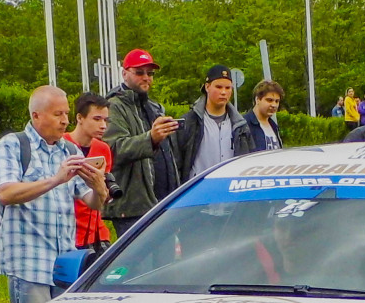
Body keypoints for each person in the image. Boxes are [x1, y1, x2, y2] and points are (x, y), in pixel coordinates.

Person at [0, 86, 108, 303]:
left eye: (66, 114)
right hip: (29, 264)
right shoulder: (12, 145)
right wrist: (56, 180)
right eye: (58, 114)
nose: (65, 121)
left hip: (65, 265)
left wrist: (99, 188)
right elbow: (5, 193)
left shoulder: (70, 149)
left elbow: (92, 201)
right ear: (36, 115)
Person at [103, 49, 180, 239]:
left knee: (165, 265)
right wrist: (151, 138)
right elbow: (113, 150)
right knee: (138, 267)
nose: (146, 77)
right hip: (132, 208)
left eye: (150, 73)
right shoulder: (114, 106)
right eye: (139, 72)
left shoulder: (155, 107)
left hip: (162, 203)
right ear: (125, 73)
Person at [175, 64, 253, 181]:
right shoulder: (190, 122)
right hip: (197, 190)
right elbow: (177, 162)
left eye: (228, 88)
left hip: (230, 189)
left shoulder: (240, 125)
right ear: (207, 87)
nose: (223, 92)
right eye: (218, 87)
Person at [64, 92, 114, 254]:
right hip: (70, 230)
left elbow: (103, 193)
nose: (103, 126)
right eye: (97, 119)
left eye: (105, 120)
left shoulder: (102, 149)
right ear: (80, 118)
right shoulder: (61, 145)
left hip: (97, 231)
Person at [244, 80, 283, 152]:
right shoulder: (244, 125)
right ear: (257, 99)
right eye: (269, 100)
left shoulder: (274, 126)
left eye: (277, 101)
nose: (274, 105)